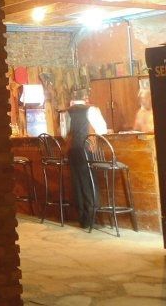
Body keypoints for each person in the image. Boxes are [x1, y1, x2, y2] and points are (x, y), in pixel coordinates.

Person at [61, 89, 108, 229]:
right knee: (88, 181)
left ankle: (83, 218)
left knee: (77, 182)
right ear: (86, 98)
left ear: (72, 99)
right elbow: (102, 130)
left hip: (72, 150)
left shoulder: (67, 112)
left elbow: (64, 133)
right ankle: (91, 217)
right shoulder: (91, 109)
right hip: (86, 150)